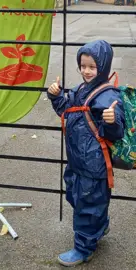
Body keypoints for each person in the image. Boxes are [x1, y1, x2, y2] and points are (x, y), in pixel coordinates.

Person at [47, 40, 124, 267]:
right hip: (77, 161)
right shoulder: (80, 90)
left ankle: (84, 248)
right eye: (83, 65)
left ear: (103, 66)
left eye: (92, 66)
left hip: (94, 164)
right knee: (76, 197)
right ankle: (98, 227)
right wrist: (55, 95)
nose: (86, 71)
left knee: (88, 205)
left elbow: (116, 131)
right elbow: (66, 109)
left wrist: (111, 121)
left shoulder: (108, 96)